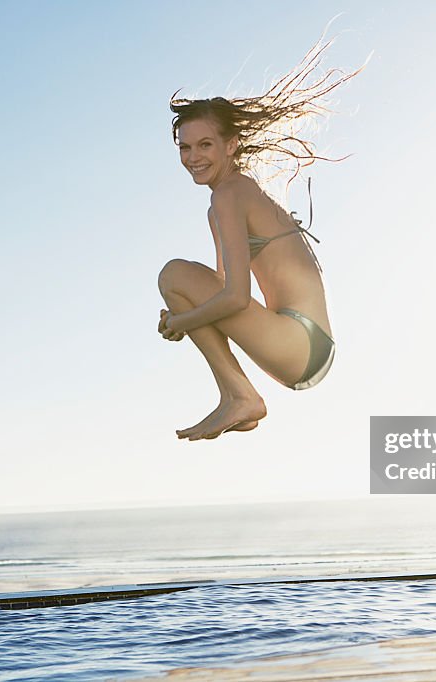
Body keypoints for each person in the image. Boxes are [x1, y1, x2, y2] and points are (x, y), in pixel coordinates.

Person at [158, 40, 361, 441]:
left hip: (299, 340)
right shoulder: (223, 203)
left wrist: (181, 322)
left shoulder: (230, 193)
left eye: (205, 145)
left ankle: (240, 396)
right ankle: (238, 395)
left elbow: (234, 297)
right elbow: (219, 286)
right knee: (182, 283)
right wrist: (181, 315)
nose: (193, 157)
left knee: (174, 275)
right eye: (185, 147)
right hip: (302, 345)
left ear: (231, 145)